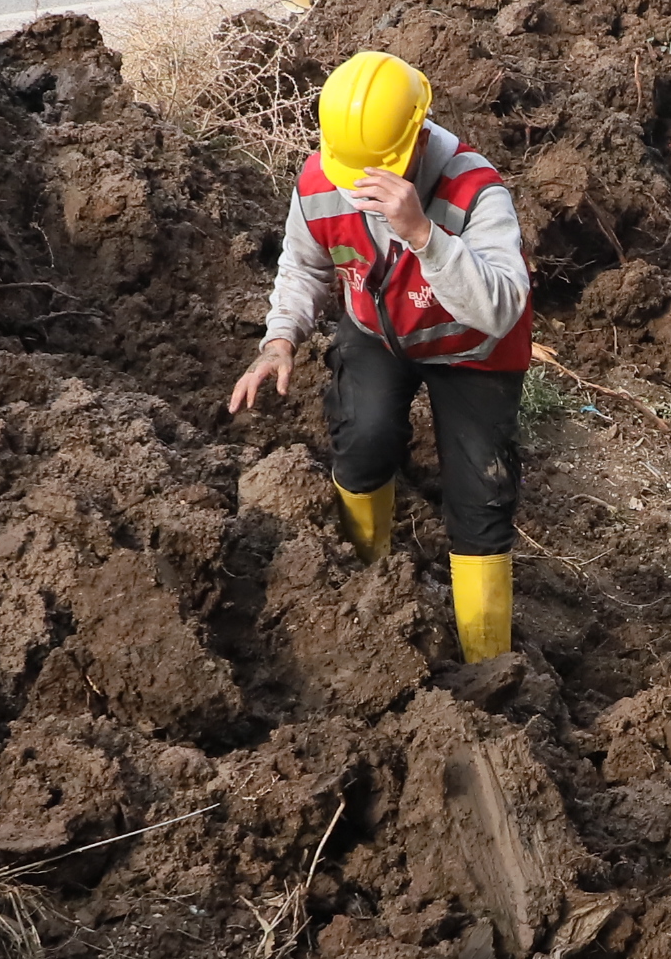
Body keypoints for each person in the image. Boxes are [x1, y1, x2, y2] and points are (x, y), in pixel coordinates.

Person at [226, 50, 531, 665]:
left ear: (418, 136)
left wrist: (423, 235)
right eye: (350, 173)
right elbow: (303, 265)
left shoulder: (476, 190)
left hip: (472, 350)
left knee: (481, 502)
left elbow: (501, 307)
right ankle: (365, 592)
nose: (361, 188)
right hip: (378, 334)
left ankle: (488, 665)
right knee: (363, 440)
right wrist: (279, 338)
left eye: (379, 171)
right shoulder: (320, 182)